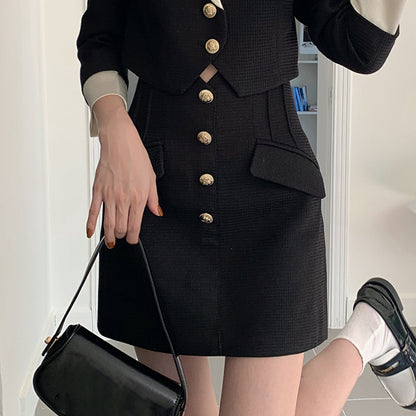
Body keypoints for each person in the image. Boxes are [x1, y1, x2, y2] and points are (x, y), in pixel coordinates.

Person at [76, 1, 414, 414]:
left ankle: (367, 334)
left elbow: (361, 47)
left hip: (273, 204)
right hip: (155, 196)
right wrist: (113, 126)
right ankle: (371, 327)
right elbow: (99, 39)